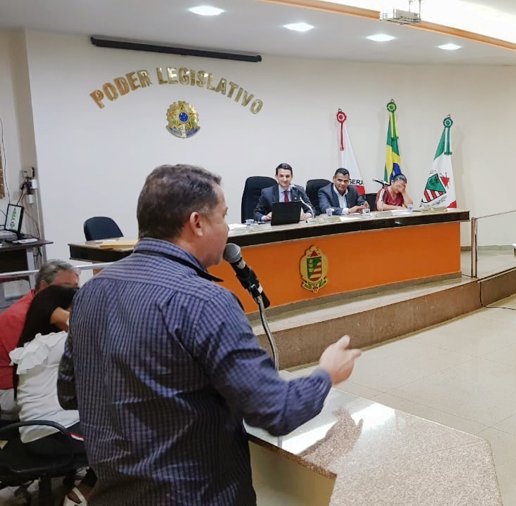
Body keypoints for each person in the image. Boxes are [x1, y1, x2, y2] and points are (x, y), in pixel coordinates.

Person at [58, 164, 362, 504]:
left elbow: (69, 393)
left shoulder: (90, 292)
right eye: (223, 217)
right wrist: (326, 373)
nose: (227, 230)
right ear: (197, 223)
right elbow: (276, 410)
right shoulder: (205, 302)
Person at [10, 285, 95, 505]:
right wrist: (60, 312)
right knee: (121, 440)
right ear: (58, 313)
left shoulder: (32, 344)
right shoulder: (57, 343)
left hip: (35, 434)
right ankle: (80, 496)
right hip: (54, 435)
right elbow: (93, 330)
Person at [0, 260, 78, 420]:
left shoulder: (45, 313)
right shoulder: (19, 316)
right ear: (43, 287)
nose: (72, 293)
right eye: (65, 287)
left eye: (76, 287)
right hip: (10, 393)